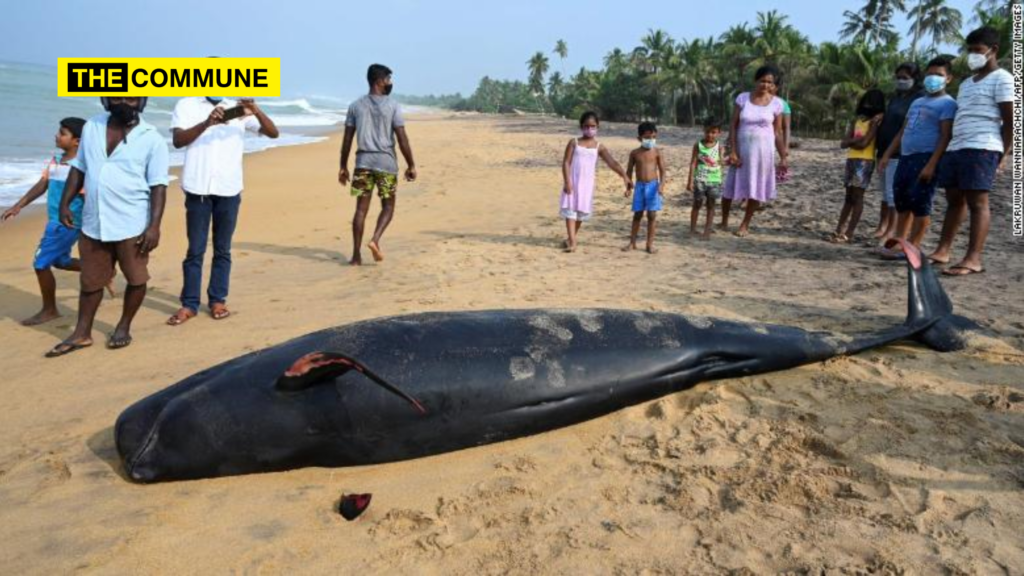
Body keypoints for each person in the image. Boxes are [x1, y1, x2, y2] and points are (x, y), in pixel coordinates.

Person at [45, 97, 169, 357]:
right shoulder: (92, 126)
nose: (125, 101)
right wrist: (64, 203)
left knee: (136, 278)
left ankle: (123, 326)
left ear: (142, 101)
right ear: (106, 99)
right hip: (94, 221)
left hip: (131, 222)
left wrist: (154, 226)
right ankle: (82, 333)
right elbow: (79, 167)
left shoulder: (152, 139)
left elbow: (158, 185)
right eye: (117, 95)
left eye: (133, 97)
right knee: (90, 282)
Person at [166, 97, 279, 326]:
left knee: (222, 249)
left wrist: (255, 110)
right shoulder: (186, 105)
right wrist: (207, 123)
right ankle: (189, 304)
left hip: (229, 187)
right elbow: (178, 141)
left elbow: (273, 133)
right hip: (197, 187)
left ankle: (217, 300)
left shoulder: (236, 107)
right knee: (195, 250)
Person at [1, 118, 109, 325]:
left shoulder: (83, 168)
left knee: (40, 263)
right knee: (61, 261)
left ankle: (49, 310)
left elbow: (91, 197)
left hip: (67, 223)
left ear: (77, 141)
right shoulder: (56, 160)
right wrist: (18, 205)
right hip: (54, 220)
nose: (57, 136)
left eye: (62, 133)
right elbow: (43, 184)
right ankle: (102, 271)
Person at [930, 26, 1013, 277]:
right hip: (958, 146)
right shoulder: (966, 83)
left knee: (978, 202)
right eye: (969, 51)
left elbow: (1010, 121)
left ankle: (973, 258)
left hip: (983, 146)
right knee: (954, 200)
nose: (973, 55)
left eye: (977, 50)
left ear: (993, 50)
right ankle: (943, 250)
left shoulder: (1003, 79)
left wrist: (1002, 155)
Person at [877, 57, 957, 257]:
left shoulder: (948, 104)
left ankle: (913, 246)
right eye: (930, 74)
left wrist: (931, 164)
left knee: (920, 203)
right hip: (906, 156)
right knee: (902, 201)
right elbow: (903, 131)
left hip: (926, 157)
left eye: (939, 75)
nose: (933, 78)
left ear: (949, 79)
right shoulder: (917, 102)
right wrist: (887, 154)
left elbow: (945, 136)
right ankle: (899, 242)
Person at [338, 64, 416, 265]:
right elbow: (402, 138)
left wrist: (343, 166)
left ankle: (356, 256)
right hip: (386, 163)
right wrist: (411, 165)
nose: (390, 83)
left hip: (362, 163)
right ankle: (375, 239)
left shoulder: (355, 106)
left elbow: (347, 139)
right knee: (388, 206)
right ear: (379, 81)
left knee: (360, 210)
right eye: (388, 79)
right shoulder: (393, 106)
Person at [719, 65, 788, 237]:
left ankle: (745, 224)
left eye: (769, 82)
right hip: (741, 151)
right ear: (756, 80)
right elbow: (733, 126)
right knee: (729, 187)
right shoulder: (742, 99)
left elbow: (778, 132)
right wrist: (733, 151)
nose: (765, 85)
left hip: (763, 153)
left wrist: (783, 157)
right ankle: (724, 220)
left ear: (773, 84)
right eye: (762, 80)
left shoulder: (777, 104)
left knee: (756, 188)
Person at [559, 111, 632, 253]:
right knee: (570, 211)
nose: (589, 129)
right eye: (586, 126)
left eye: (593, 126)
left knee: (580, 212)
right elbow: (566, 163)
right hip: (572, 181)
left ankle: (570, 239)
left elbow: (612, 163)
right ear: (581, 126)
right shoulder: (574, 143)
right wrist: (567, 181)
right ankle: (573, 242)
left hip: (586, 185)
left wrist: (624, 176)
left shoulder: (599, 147)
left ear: (597, 127)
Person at [872, 63, 923, 242]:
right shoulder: (896, 98)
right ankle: (883, 225)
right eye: (898, 77)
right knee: (885, 193)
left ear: (915, 79)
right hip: (884, 147)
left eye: (905, 78)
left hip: (899, 152)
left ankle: (892, 230)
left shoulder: (918, 99)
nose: (901, 81)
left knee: (893, 194)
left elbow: (907, 127)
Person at [831, 89, 885, 243]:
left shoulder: (875, 122)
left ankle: (849, 231)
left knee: (857, 196)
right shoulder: (858, 121)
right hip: (852, 159)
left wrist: (852, 141)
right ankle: (838, 229)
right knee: (848, 196)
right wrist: (854, 141)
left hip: (865, 160)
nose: (868, 105)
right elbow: (844, 143)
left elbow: (864, 143)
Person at [623, 122, 666, 254]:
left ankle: (649, 244)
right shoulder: (635, 153)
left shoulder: (657, 152)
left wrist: (661, 185)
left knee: (652, 215)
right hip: (640, 187)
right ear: (639, 138)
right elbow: (629, 171)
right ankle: (632, 242)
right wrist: (628, 187)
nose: (650, 140)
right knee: (637, 214)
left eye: (653, 137)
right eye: (647, 138)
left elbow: (663, 171)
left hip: (653, 186)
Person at [686, 119, 724, 240]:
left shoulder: (719, 147)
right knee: (697, 203)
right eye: (708, 132)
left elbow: (721, 162)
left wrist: (724, 160)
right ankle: (692, 229)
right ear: (703, 130)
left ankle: (707, 231)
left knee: (711, 205)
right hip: (700, 179)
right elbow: (693, 163)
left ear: (719, 133)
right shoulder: (698, 145)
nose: (710, 135)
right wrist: (690, 181)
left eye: (713, 132)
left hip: (714, 180)